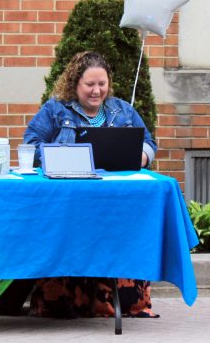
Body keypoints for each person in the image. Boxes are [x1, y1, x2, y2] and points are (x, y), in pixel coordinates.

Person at [17, 50, 158, 318]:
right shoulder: (56, 109)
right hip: (68, 204)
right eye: (89, 85)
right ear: (75, 83)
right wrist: (61, 157)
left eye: (101, 84)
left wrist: (141, 156)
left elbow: (149, 143)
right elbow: (31, 144)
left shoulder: (123, 111)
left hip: (113, 204)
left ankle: (116, 302)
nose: (96, 91)